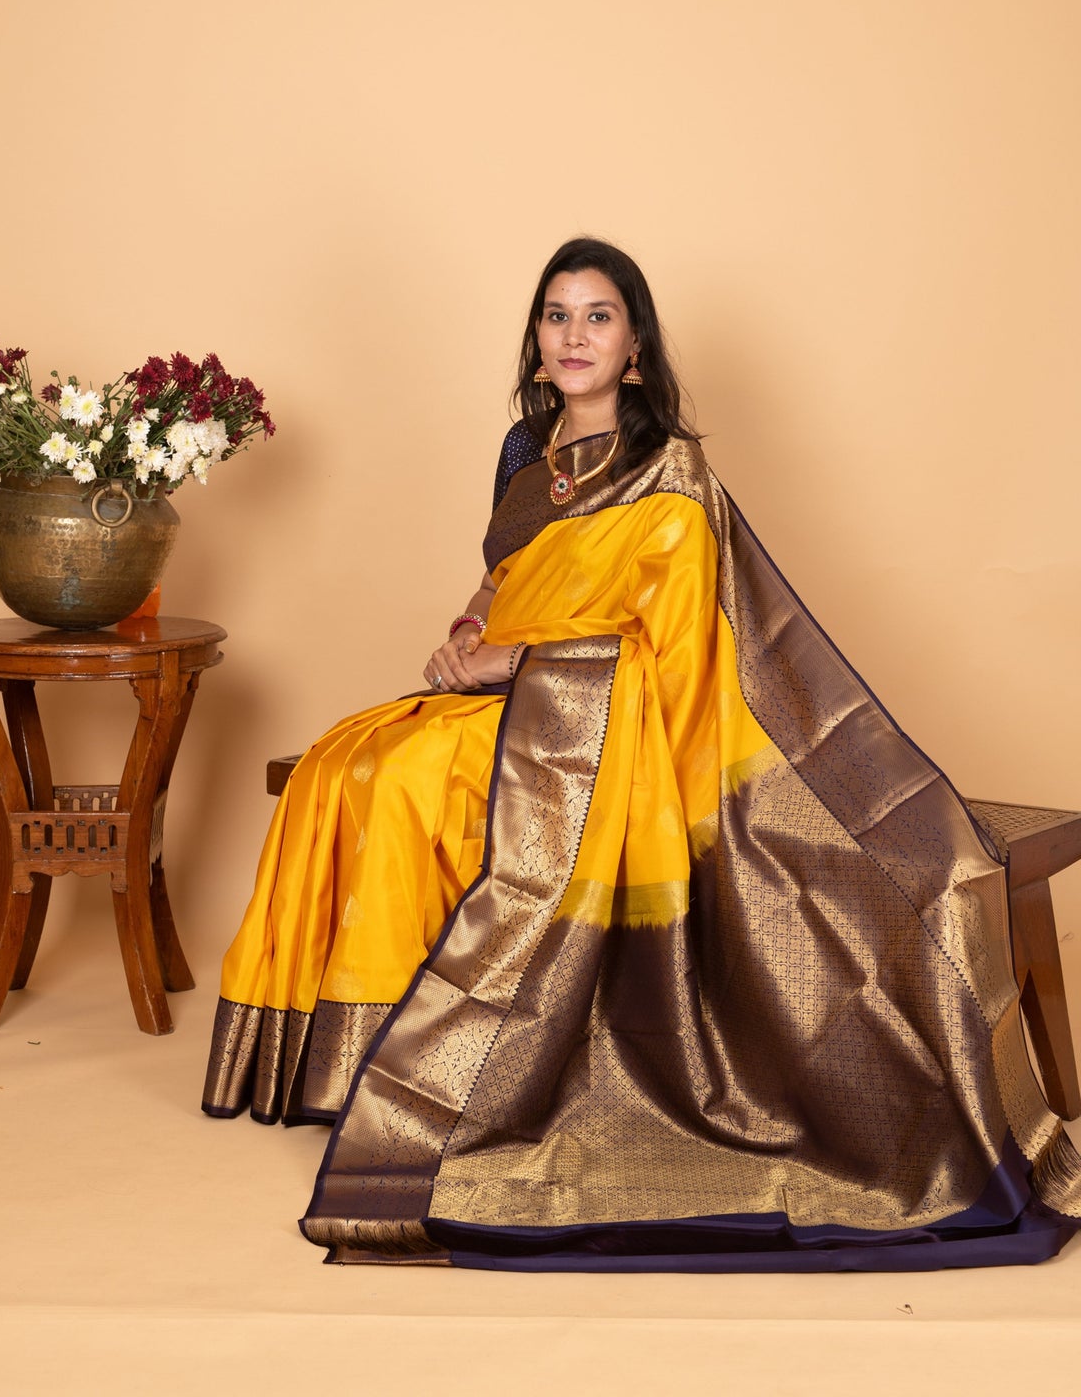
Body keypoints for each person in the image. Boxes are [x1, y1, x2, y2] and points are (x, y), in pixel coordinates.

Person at [202, 237, 1081, 1270]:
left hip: (601, 721)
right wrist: (467, 633)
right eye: (556, 316)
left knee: (405, 781)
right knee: (346, 767)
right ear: (536, 342)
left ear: (634, 348)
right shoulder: (525, 453)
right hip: (510, 698)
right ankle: (348, 1062)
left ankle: (452, 1082)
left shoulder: (671, 467)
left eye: (598, 316)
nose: (573, 336)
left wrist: (513, 666)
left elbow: (669, 640)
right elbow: (504, 578)